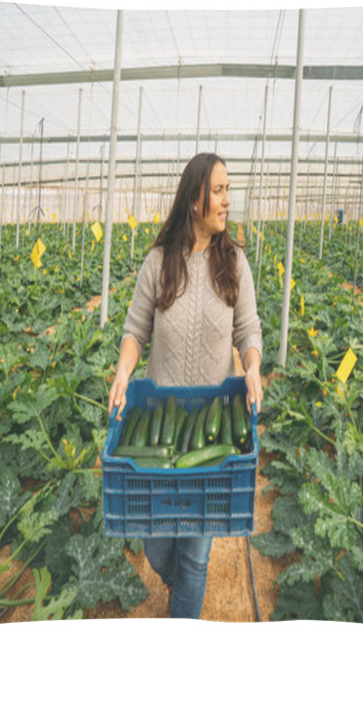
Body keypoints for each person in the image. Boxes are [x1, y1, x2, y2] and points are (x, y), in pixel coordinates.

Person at [107, 151, 263, 619]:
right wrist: (122, 370)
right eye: (218, 191)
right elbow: (136, 331)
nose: (227, 201)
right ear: (194, 200)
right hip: (162, 418)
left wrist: (251, 366)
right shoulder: (158, 263)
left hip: (210, 429)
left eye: (227, 191)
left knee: (196, 553)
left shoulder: (234, 262)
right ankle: (178, 583)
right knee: (158, 550)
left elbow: (248, 329)